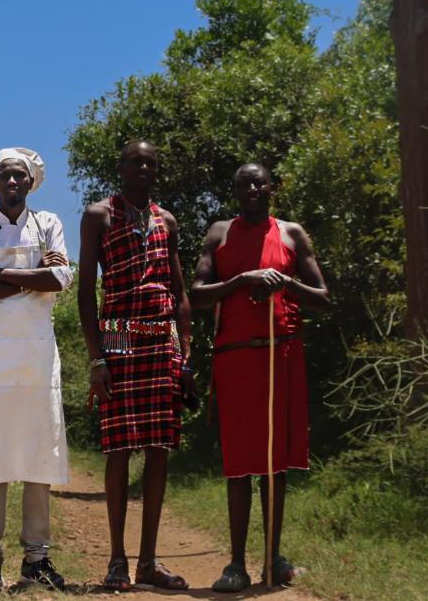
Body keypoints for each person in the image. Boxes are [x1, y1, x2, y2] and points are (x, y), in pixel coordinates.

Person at [190, 163, 330, 592]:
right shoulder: (219, 233)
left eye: (258, 182)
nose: (251, 188)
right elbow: (196, 294)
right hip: (235, 358)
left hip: (282, 355)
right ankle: (235, 564)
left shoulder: (292, 234)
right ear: (234, 192)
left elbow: (324, 299)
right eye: (241, 184)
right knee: (238, 465)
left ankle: (273, 558)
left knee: (275, 464)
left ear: (271, 187)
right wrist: (242, 279)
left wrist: (283, 282)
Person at [78, 140, 193, 591]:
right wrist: (96, 358)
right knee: (119, 450)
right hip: (119, 344)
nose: (144, 167)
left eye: (151, 162)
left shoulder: (167, 220)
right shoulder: (99, 216)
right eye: (136, 161)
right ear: (121, 168)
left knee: (159, 451)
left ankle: (148, 561)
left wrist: (185, 354)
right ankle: (116, 560)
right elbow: (87, 292)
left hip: (160, 345)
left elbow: (179, 292)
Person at [0, 148, 73, 592]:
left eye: (19, 177)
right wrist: (32, 275)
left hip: (38, 358)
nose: (12, 182)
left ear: (31, 184)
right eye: (4, 176)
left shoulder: (49, 224)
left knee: (39, 456)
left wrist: (0, 273)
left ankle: (37, 559)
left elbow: (61, 279)